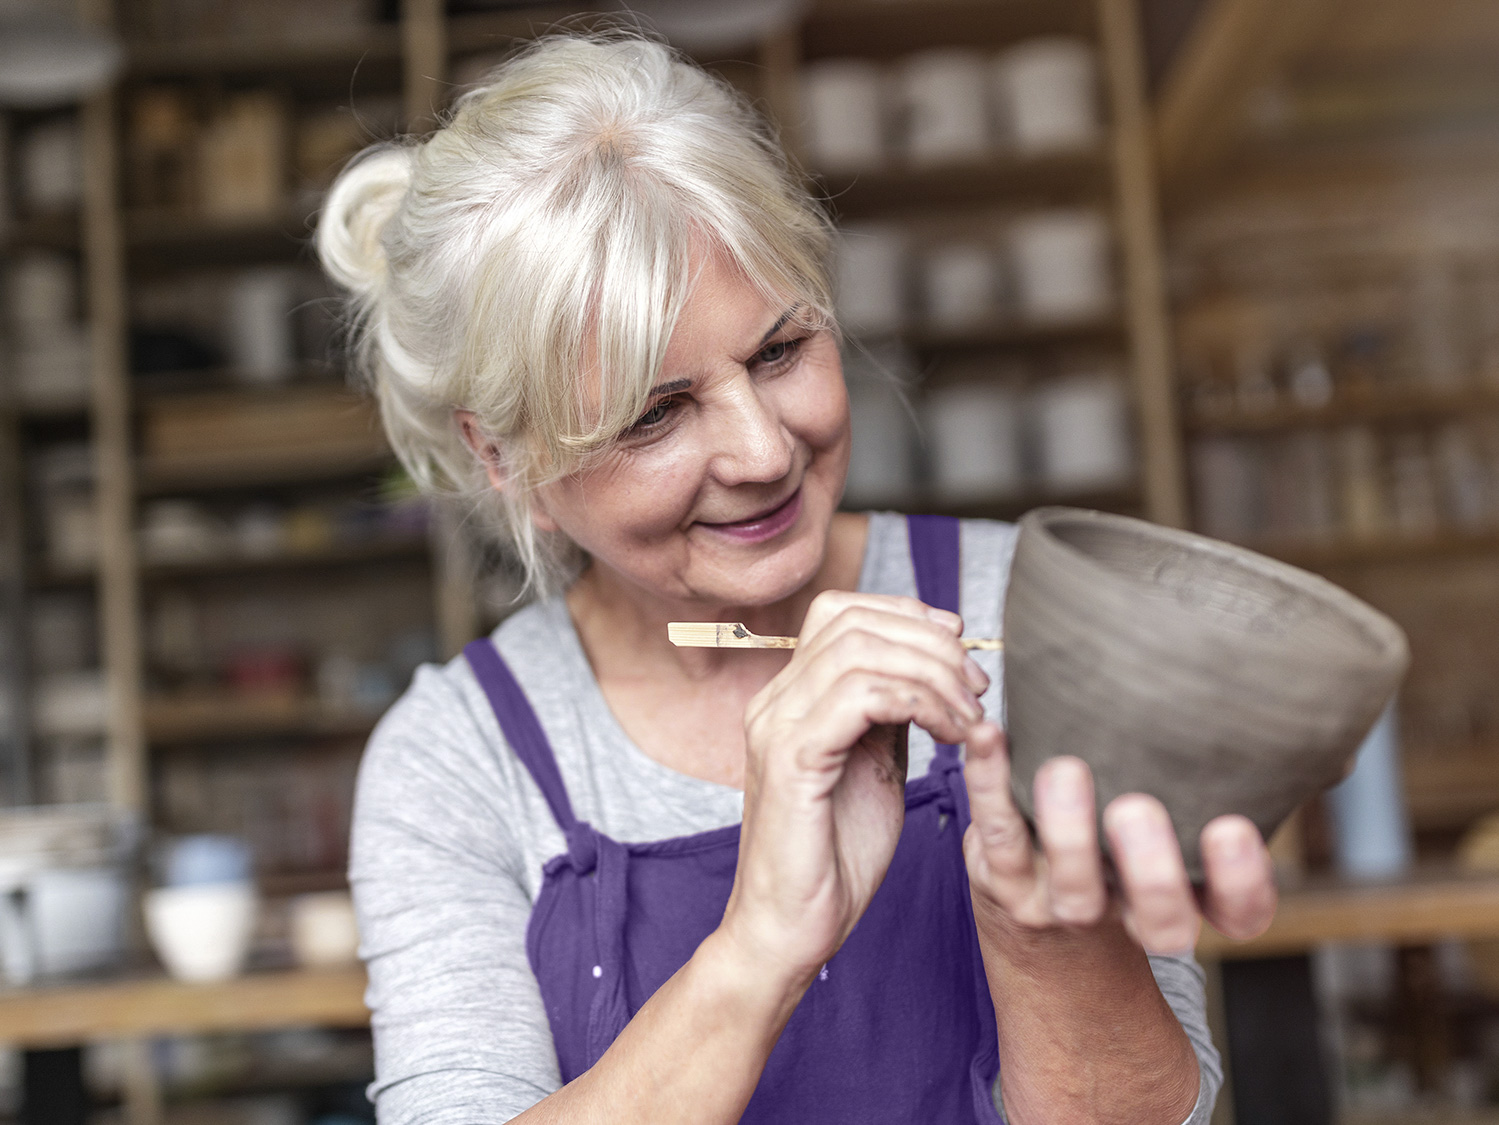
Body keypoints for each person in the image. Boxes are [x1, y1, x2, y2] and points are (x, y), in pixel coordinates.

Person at [318, 31, 1277, 1125]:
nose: (763, 451)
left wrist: (1044, 939)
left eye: (779, 352)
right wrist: (762, 944)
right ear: (504, 458)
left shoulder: (1030, 616)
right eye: (654, 414)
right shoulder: (458, 762)